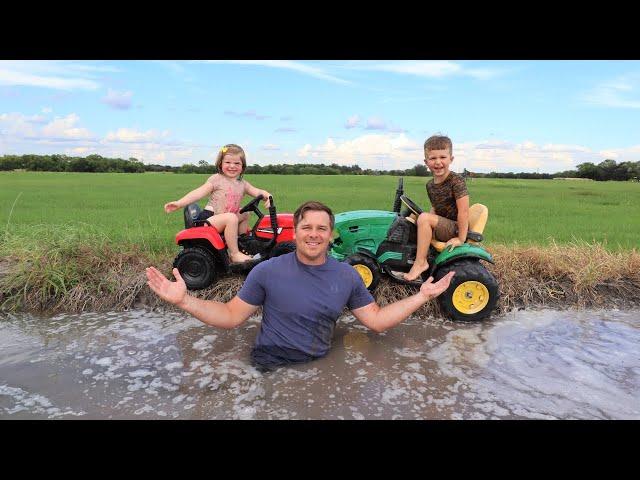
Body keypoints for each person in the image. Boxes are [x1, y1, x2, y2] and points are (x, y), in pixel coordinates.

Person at [146, 201, 455, 371]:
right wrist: (185, 301)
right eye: (306, 227)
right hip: (268, 363)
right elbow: (230, 316)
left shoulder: (347, 275)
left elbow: (375, 321)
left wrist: (422, 296)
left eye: (321, 228)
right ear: (294, 232)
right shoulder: (266, 271)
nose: (313, 234)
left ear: (330, 234)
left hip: (318, 364)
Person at [164, 144, 272, 263]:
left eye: (237, 163)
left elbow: (257, 191)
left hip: (225, 219)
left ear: (243, 166)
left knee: (245, 213)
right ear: (220, 163)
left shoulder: (242, 184)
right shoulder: (217, 179)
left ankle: (243, 243)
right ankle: (234, 254)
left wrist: (267, 195)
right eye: (228, 162)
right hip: (209, 221)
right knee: (231, 218)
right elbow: (199, 192)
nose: (232, 166)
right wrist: (179, 203)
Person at [404, 135, 469, 281]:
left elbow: (464, 212)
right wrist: (426, 223)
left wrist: (460, 238)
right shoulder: (430, 185)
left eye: (443, 157)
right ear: (426, 162)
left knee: (424, 218)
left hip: (455, 228)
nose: (438, 162)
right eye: (433, 158)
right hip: (443, 225)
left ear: (451, 159)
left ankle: (420, 263)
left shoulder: (456, 181)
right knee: (410, 220)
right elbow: (435, 207)